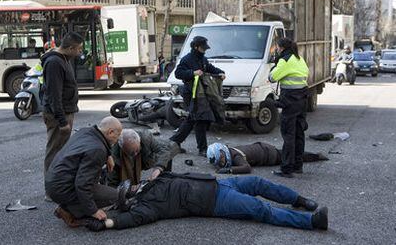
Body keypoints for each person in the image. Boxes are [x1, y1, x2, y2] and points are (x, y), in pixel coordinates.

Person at [84, 172, 328, 232]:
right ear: (131, 198)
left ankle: (299, 199)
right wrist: (108, 224)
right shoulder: (147, 206)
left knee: (258, 183)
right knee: (259, 209)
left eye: (131, 184)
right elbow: (133, 219)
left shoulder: (152, 181)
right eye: (130, 188)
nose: (134, 184)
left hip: (218, 182)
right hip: (216, 201)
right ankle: (311, 222)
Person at [45, 117, 123, 228]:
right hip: (62, 189)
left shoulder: (86, 131)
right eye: (118, 135)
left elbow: (99, 144)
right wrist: (93, 211)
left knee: (94, 180)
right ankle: (69, 210)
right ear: (110, 132)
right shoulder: (98, 150)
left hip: (53, 182)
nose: (119, 138)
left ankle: (71, 205)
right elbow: (83, 185)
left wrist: (108, 155)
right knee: (114, 196)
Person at [41, 32, 84, 198]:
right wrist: (62, 121)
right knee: (54, 152)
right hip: (59, 115)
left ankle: (58, 187)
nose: (80, 52)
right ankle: (51, 192)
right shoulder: (54, 63)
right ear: (71, 48)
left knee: (61, 152)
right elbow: (53, 95)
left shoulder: (63, 60)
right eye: (78, 49)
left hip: (66, 112)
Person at [170, 36, 225, 156]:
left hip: (200, 94)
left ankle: (174, 141)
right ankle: (202, 149)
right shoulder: (187, 59)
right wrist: (192, 73)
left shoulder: (203, 59)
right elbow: (178, 73)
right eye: (202, 48)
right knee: (200, 119)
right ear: (196, 47)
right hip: (190, 93)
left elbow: (210, 68)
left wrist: (220, 73)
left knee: (192, 119)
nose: (205, 50)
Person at [269, 38, 309, 178]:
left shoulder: (285, 60)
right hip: (302, 99)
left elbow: (272, 77)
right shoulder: (299, 59)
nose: (277, 50)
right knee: (299, 134)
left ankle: (287, 168)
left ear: (281, 48)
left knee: (288, 135)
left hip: (290, 101)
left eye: (277, 48)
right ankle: (298, 166)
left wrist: (275, 66)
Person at [107, 129, 180, 187]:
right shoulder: (114, 153)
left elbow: (163, 150)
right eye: (131, 152)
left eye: (137, 150)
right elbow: (112, 182)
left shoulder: (146, 137)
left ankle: (165, 181)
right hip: (121, 164)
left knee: (170, 148)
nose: (135, 154)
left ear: (139, 141)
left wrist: (158, 168)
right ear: (122, 148)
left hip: (146, 159)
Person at [206, 142, 329, 174]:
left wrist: (229, 170)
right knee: (291, 154)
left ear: (223, 151)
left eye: (221, 158)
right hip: (264, 148)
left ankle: (317, 156)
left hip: (270, 155)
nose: (222, 162)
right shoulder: (230, 150)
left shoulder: (236, 157)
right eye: (219, 162)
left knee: (293, 156)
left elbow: (247, 168)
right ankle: (316, 155)